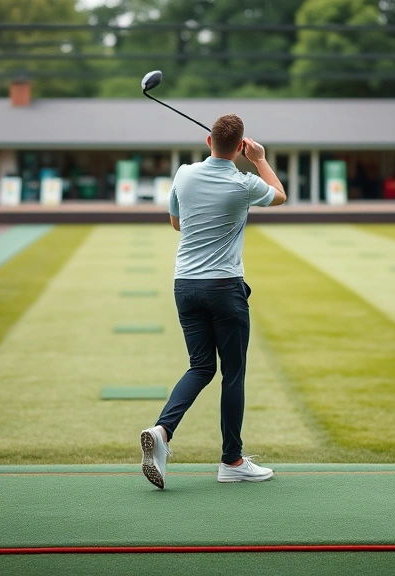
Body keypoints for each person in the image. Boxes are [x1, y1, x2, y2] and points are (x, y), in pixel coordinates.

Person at [140, 114, 287, 490]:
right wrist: (259, 158)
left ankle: (162, 430)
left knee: (201, 366)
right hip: (224, 288)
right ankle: (232, 461)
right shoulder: (244, 182)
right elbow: (280, 195)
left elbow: (177, 223)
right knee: (232, 372)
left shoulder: (184, 174)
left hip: (185, 286)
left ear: (208, 141)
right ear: (240, 146)